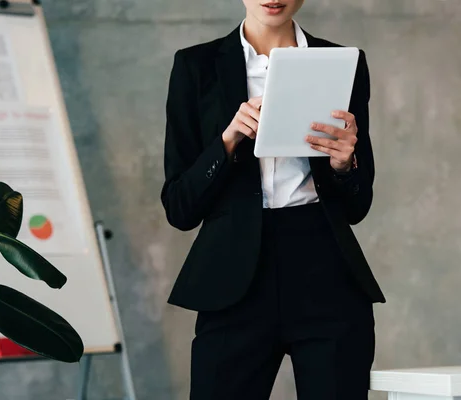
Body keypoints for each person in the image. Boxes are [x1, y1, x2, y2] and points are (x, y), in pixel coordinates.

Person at [161, 1, 386, 399]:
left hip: (326, 270)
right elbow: (179, 207)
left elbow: (358, 205)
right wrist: (227, 141)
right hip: (232, 277)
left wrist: (344, 164)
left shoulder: (340, 63)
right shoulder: (196, 66)